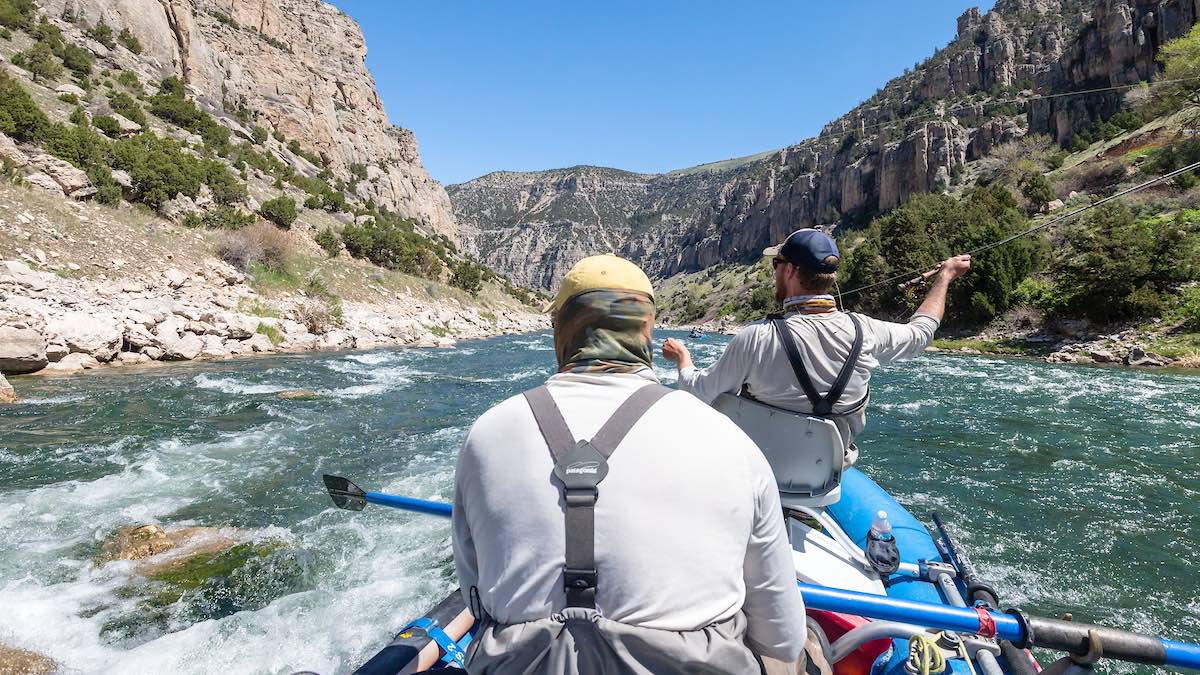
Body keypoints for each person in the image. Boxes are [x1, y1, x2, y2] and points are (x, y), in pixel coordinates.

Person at [452, 254, 809, 674]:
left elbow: (476, 592)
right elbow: (782, 639)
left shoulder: (486, 435)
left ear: (562, 331)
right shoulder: (731, 441)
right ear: (646, 329)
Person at [663, 229, 971, 468]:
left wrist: (683, 359)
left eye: (776, 263)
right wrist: (944, 278)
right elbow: (920, 334)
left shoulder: (755, 337)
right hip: (827, 475)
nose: (774, 271)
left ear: (791, 271)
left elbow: (698, 392)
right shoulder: (867, 330)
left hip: (760, 472)